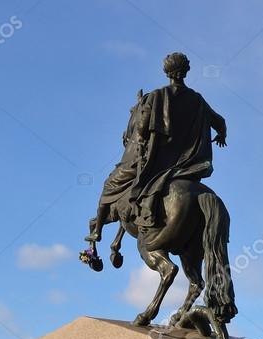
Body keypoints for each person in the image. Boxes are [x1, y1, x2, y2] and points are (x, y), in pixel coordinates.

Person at [88, 52, 227, 240]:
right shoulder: (198, 100)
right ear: (185, 71)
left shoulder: (156, 97)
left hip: (156, 163)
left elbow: (142, 129)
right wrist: (221, 135)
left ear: (167, 72)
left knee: (109, 185)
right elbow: (220, 122)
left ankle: (97, 231)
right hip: (188, 166)